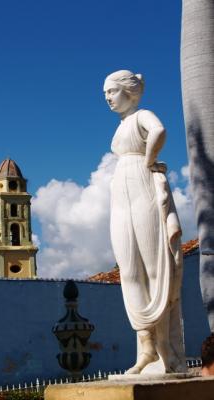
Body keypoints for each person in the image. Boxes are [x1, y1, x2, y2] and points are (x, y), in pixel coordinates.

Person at [104, 70, 186, 374]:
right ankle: (146, 346)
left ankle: (164, 345)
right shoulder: (122, 125)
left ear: (129, 91)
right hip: (120, 194)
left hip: (142, 186)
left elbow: (159, 131)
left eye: (112, 91)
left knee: (155, 268)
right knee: (128, 270)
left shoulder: (142, 115)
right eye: (106, 94)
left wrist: (150, 161)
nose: (108, 98)